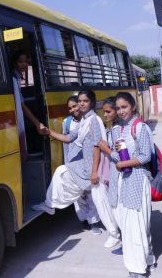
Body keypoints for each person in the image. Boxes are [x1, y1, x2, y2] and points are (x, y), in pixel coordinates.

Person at [32, 89, 120, 248]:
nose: (81, 104)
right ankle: (51, 204)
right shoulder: (84, 121)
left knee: (103, 203)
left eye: (85, 101)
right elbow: (68, 138)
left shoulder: (93, 120)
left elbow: (97, 146)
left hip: (94, 168)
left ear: (92, 102)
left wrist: (94, 171)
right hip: (86, 166)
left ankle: (114, 233)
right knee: (62, 173)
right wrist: (48, 131)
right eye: (80, 101)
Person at [110, 92, 156, 278]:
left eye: (124, 107)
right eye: (118, 108)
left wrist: (124, 163)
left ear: (133, 107)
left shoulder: (140, 128)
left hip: (138, 179)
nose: (121, 111)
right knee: (131, 225)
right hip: (123, 181)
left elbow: (146, 156)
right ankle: (148, 259)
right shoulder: (116, 130)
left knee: (136, 226)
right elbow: (113, 154)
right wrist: (117, 156)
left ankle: (137, 271)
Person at [63, 95, 101, 235]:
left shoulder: (89, 121)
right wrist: (67, 162)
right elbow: (66, 143)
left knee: (91, 194)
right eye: (70, 107)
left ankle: (94, 221)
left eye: (75, 105)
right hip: (73, 163)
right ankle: (84, 219)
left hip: (88, 163)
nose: (73, 109)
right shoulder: (67, 123)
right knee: (78, 195)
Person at [98, 96, 124, 254]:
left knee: (119, 210)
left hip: (120, 175)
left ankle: (127, 244)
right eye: (104, 112)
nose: (105, 115)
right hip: (115, 175)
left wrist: (105, 148)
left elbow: (121, 156)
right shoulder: (114, 127)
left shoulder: (118, 130)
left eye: (108, 112)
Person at [11, 50, 47, 135]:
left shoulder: (17, 77)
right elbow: (21, 105)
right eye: (20, 62)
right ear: (14, 63)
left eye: (26, 62)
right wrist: (37, 123)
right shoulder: (13, 79)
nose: (24, 64)